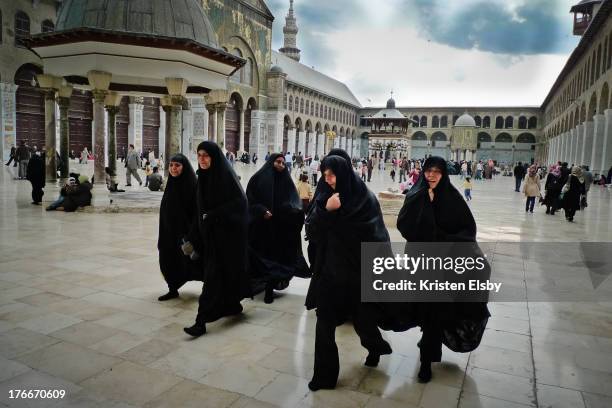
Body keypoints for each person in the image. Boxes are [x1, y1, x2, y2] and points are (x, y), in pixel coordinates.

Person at [396, 156, 490, 383]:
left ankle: (426, 362)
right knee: (424, 309)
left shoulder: (452, 198)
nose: (431, 176)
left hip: (444, 267)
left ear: (444, 174)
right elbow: (404, 226)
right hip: (420, 264)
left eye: (437, 172)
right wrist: (424, 204)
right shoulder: (415, 195)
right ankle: (429, 342)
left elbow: (467, 230)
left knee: (433, 311)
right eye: (429, 171)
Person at [305, 154, 392, 391]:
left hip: (356, 274)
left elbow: (377, 236)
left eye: (332, 175)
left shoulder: (365, 199)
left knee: (363, 322)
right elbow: (311, 231)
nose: (329, 180)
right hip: (329, 273)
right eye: (325, 175)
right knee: (324, 324)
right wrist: (326, 210)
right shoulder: (324, 195)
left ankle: (375, 347)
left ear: (343, 174)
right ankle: (324, 376)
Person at [183, 141, 251, 337]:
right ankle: (232, 305)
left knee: (212, 279)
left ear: (214, 157)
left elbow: (240, 204)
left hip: (227, 239)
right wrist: (193, 235)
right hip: (210, 238)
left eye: (206, 155)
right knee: (221, 276)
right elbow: (199, 211)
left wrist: (215, 214)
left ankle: (200, 321)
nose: (202, 160)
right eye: (199, 155)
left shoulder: (226, 179)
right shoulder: (202, 178)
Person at [247, 153, 309, 304]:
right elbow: (249, 201)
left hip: (281, 230)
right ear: (271, 162)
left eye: (282, 162)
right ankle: (265, 287)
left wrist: (293, 212)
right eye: (277, 162)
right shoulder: (258, 180)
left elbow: (295, 203)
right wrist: (262, 210)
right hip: (262, 229)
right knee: (264, 259)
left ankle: (270, 289)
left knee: (277, 260)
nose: (281, 165)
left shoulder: (287, 182)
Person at [157, 154, 200, 301]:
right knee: (168, 260)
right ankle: (172, 288)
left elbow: (196, 212)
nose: (173, 169)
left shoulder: (192, 186)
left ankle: (210, 291)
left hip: (185, 234)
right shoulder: (171, 184)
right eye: (171, 165)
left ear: (184, 167)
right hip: (168, 233)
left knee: (193, 263)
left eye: (177, 165)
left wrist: (191, 234)